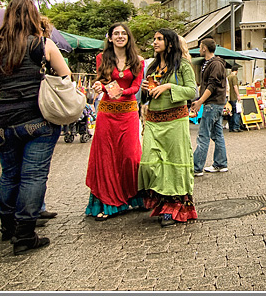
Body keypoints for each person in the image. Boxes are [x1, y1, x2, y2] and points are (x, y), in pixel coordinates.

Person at [0, 0, 70, 254]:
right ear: (33, 17)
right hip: (37, 120)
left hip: (3, 122)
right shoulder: (42, 44)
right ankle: (24, 235)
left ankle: (7, 226)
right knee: (33, 176)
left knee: (9, 174)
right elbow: (65, 77)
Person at [85, 23, 145, 221]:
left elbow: (136, 86)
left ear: (128, 37)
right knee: (106, 157)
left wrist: (122, 91)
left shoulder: (138, 61)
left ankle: (134, 197)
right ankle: (109, 203)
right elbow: (102, 81)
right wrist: (97, 86)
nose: (120, 36)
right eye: (115, 34)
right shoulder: (102, 58)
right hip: (107, 113)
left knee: (130, 156)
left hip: (128, 113)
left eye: (123, 33)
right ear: (110, 38)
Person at [138, 29, 198, 227]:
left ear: (169, 43)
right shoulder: (152, 66)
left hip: (175, 120)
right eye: (154, 39)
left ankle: (173, 208)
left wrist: (168, 87)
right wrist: (146, 90)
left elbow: (192, 91)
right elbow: (145, 96)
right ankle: (162, 201)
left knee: (174, 164)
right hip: (154, 120)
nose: (154, 42)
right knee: (149, 162)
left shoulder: (182, 65)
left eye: (159, 39)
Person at [191, 38, 229, 176]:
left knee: (204, 135)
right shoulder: (211, 63)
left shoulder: (215, 64)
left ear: (204, 48)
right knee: (217, 134)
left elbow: (212, 86)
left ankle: (197, 167)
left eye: (200, 47)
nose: (200, 49)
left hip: (212, 104)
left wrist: (200, 101)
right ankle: (220, 163)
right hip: (214, 103)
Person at [227, 65, 242, 132]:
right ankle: (236, 127)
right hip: (233, 97)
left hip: (229, 97)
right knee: (236, 111)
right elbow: (235, 86)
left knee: (230, 112)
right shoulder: (234, 77)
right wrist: (238, 95)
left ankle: (231, 127)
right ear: (237, 71)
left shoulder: (228, 77)